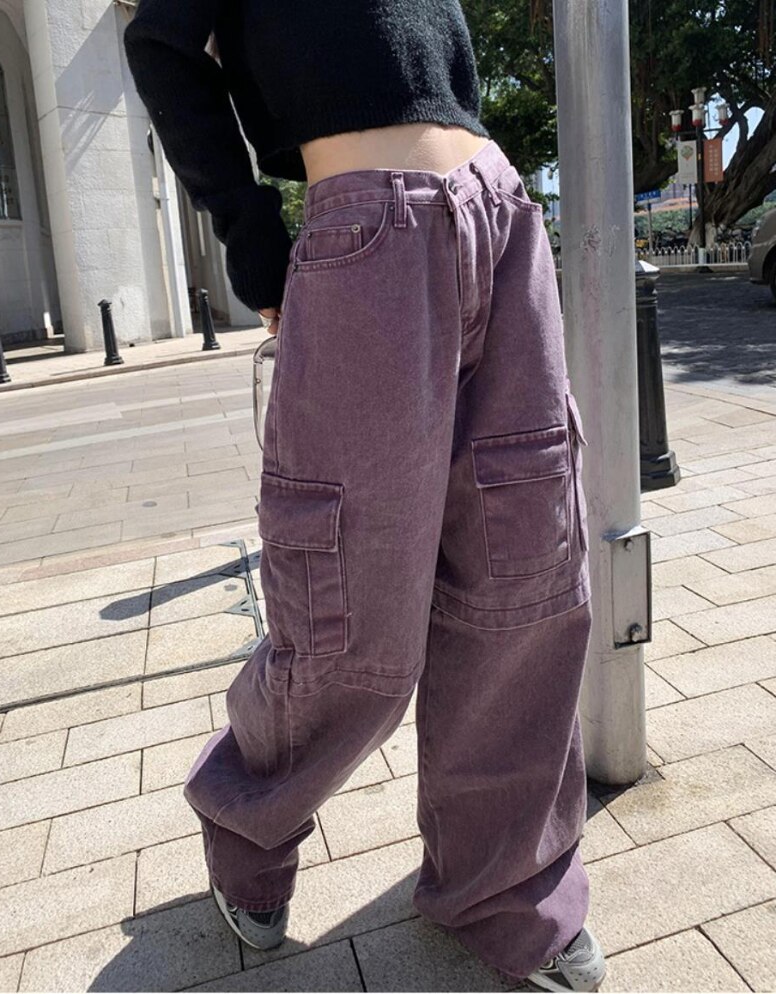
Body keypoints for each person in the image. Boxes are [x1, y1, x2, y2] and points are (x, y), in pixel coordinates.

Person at [123, 2, 605, 990]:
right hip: (367, 237)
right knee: (348, 617)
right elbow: (160, 41)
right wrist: (251, 231)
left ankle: (505, 886)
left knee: (526, 583)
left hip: (501, 215)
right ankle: (247, 821)